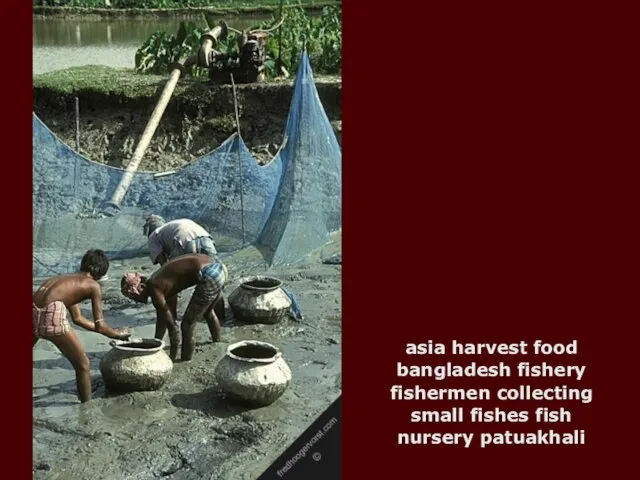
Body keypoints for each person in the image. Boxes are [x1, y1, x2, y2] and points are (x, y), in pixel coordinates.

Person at [33, 249, 131, 403]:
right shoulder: (93, 286)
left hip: (33, 312)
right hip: (51, 314)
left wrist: (109, 332)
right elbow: (101, 326)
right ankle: (86, 408)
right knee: (83, 365)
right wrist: (117, 333)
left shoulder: (67, 279)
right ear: (99, 272)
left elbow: (78, 319)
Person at [120, 254, 227, 362]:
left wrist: (171, 357)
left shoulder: (154, 288)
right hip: (218, 267)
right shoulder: (162, 282)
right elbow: (163, 319)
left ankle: (185, 360)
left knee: (187, 324)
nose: (135, 301)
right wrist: (154, 344)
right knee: (207, 312)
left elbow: (173, 328)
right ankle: (217, 342)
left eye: (133, 296)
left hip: (208, 275)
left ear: (141, 287)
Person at [143, 215, 217, 266]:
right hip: (205, 238)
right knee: (213, 269)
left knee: (175, 275)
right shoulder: (171, 226)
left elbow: (163, 263)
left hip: (183, 242)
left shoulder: (154, 235)